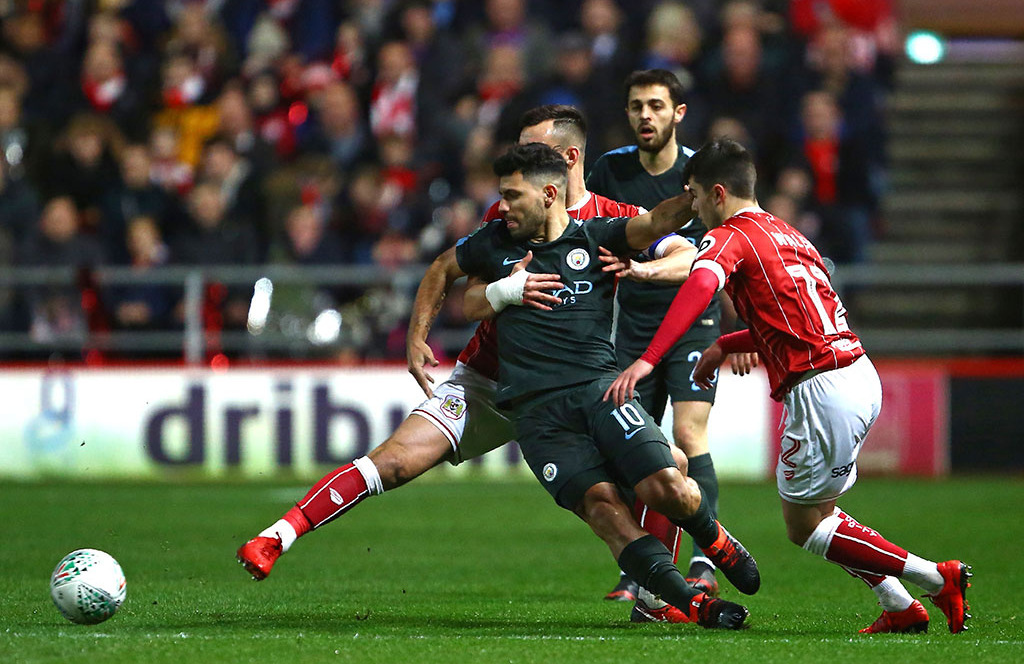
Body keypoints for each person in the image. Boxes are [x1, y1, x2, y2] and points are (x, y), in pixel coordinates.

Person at [236, 106, 701, 623]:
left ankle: (659, 597)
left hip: (577, 388)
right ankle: (278, 536)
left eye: (534, 150)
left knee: (661, 475)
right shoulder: (507, 216)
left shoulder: (614, 221)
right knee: (395, 460)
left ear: (567, 161)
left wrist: (644, 269)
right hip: (488, 383)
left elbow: (686, 252)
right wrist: (418, 337)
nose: (518, 165)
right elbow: (459, 283)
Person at [606, 139, 971, 635]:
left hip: (821, 387)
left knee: (806, 526)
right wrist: (723, 346)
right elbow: (791, 319)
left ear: (717, 193)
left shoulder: (732, 235)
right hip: (858, 374)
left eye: (693, 196)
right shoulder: (789, 235)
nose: (692, 207)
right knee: (824, 514)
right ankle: (900, 605)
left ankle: (934, 576)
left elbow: (699, 283)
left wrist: (649, 359)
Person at [451, 143, 758, 628]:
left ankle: (713, 537)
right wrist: (497, 292)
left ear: (549, 194)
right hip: (536, 416)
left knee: (666, 486)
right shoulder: (494, 242)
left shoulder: (597, 236)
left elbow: (656, 224)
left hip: (600, 393)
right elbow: (458, 291)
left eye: (512, 196)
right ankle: (694, 604)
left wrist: (695, 194)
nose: (502, 206)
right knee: (604, 510)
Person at [587, 69, 747, 599]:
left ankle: (705, 557)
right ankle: (643, 568)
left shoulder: (698, 174)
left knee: (688, 436)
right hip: (632, 324)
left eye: (656, 106)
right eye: (636, 107)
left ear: (678, 113)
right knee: (633, 446)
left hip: (693, 321)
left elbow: (714, 258)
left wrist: (738, 325)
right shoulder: (609, 170)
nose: (645, 116)